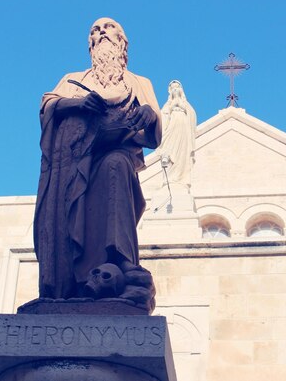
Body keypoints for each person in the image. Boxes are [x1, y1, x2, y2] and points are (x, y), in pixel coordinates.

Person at [34, 17, 161, 302]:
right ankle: (75, 279)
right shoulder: (73, 80)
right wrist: (78, 102)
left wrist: (150, 115)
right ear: (90, 43)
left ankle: (120, 260)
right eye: (95, 30)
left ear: (122, 41)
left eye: (109, 27)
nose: (102, 32)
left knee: (116, 165)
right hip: (76, 163)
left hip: (114, 153)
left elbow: (154, 132)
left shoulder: (138, 83)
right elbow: (48, 105)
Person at [158, 80, 196, 188]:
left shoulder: (186, 105)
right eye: (173, 88)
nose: (175, 90)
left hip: (183, 131)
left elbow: (192, 116)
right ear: (170, 91)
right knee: (170, 150)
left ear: (181, 90)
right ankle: (169, 178)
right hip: (172, 130)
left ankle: (181, 177)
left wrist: (182, 106)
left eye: (177, 87)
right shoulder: (167, 105)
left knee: (182, 153)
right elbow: (163, 118)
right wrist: (171, 108)